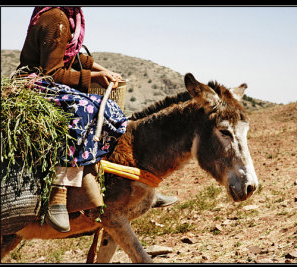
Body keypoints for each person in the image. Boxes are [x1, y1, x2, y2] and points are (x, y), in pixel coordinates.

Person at [17, 6, 177, 233]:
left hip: (50, 81)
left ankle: (135, 183)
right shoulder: (57, 19)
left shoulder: (69, 17)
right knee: (83, 111)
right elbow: (52, 72)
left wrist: (103, 70)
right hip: (37, 83)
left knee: (111, 112)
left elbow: (71, 56)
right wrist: (95, 77)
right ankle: (59, 192)